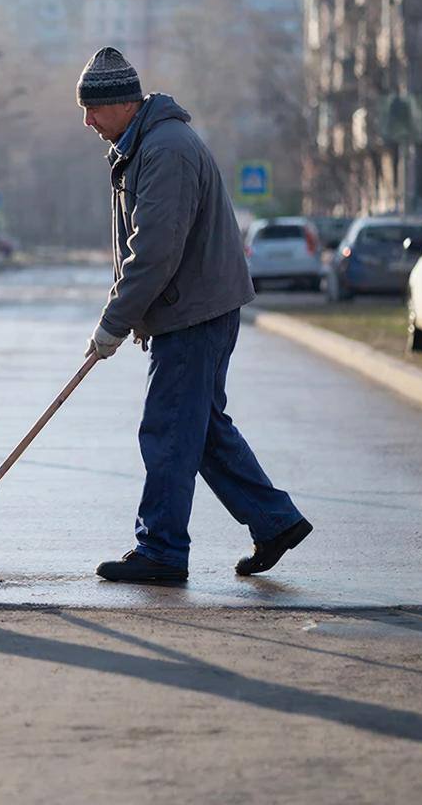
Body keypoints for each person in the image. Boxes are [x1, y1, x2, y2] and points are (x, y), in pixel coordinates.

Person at [79, 46, 312, 584]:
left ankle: (161, 549)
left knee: (167, 430)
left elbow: (156, 250)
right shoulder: (144, 145)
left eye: (94, 108)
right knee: (200, 430)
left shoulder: (165, 150)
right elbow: (141, 246)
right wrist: (132, 316)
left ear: (122, 102)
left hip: (194, 313)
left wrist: (115, 321)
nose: (87, 121)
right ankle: (274, 522)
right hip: (193, 309)